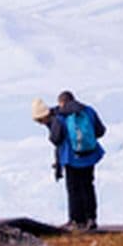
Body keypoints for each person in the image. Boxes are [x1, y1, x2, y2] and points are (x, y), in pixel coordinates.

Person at [42, 90, 107, 230]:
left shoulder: (61, 116)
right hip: (89, 156)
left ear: (61, 102)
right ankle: (91, 218)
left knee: (74, 189)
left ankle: (76, 220)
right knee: (88, 186)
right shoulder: (89, 111)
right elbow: (101, 131)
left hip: (71, 158)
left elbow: (55, 138)